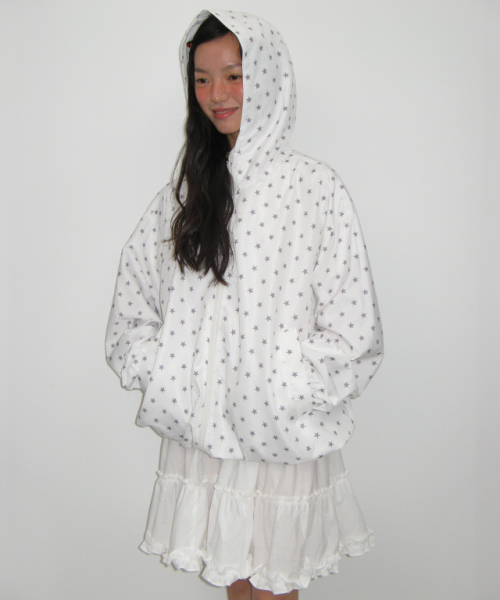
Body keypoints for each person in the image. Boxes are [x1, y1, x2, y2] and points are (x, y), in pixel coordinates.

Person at [105, 9, 384, 600]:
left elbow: (355, 327)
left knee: (277, 587)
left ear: (269, 76)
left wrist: (288, 386)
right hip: (208, 439)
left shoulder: (314, 188)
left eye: (234, 75)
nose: (218, 95)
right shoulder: (186, 194)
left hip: (281, 433)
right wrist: (168, 374)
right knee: (235, 585)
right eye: (202, 79)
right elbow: (133, 299)